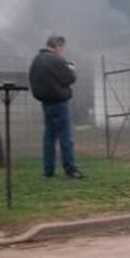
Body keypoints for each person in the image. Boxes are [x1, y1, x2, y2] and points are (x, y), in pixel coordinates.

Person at [29, 36, 84, 179]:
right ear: (58, 46)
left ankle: (48, 171)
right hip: (59, 102)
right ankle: (70, 169)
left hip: (45, 103)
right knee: (66, 137)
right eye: (63, 48)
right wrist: (71, 69)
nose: (63, 51)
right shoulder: (57, 60)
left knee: (49, 137)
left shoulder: (37, 60)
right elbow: (70, 79)